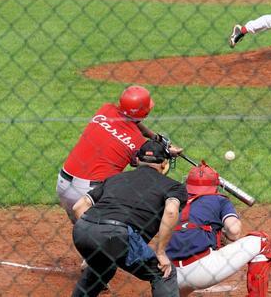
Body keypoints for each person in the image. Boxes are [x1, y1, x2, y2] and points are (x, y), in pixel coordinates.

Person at [71, 139, 188, 297]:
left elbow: (79, 206)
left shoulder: (116, 178)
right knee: (163, 273)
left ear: (138, 160)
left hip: (82, 229)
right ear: (164, 164)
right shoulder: (174, 186)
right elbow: (171, 212)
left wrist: (95, 233)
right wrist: (160, 252)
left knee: (101, 266)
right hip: (117, 234)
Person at [57, 85, 183, 223]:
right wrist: (166, 151)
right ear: (145, 112)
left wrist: (154, 137)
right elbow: (148, 167)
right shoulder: (137, 143)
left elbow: (129, 121)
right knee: (108, 233)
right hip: (91, 193)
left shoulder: (106, 110)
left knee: (82, 230)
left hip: (63, 185)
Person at [166, 162, 271, 297]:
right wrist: (225, 235)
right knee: (262, 241)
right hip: (203, 271)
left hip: (170, 276)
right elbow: (234, 231)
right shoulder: (219, 200)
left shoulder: (173, 200)